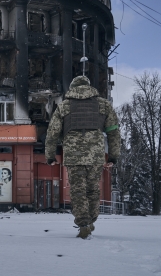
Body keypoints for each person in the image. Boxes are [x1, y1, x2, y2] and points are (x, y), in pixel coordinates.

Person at [45, 75, 120, 239]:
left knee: (78, 190)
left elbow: (52, 133)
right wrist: (113, 156)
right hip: (95, 155)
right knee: (93, 189)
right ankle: (91, 220)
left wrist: (50, 155)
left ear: (72, 88)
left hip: (73, 155)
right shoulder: (103, 105)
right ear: (89, 86)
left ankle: (84, 224)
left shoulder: (64, 106)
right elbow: (113, 131)